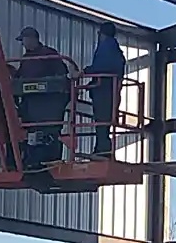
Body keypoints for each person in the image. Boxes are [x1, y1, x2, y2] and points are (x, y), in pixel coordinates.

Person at [13, 27, 70, 168]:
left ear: (33, 39)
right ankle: (32, 160)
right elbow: (19, 78)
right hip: (32, 102)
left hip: (49, 102)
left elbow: (62, 74)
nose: (23, 44)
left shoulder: (48, 54)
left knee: (49, 131)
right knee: (31, 130)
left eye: (24, 40)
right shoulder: (26, 59)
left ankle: (50, 158)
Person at [84, 21, 126, 156]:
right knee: (105, 122)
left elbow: (103, 67)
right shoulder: (115, 49)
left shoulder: (107, 47)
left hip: (104, 91)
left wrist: (85, 72)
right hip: (110, 90)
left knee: (102, 121)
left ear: (100, 33)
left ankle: (103, 150)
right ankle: (102, 149)